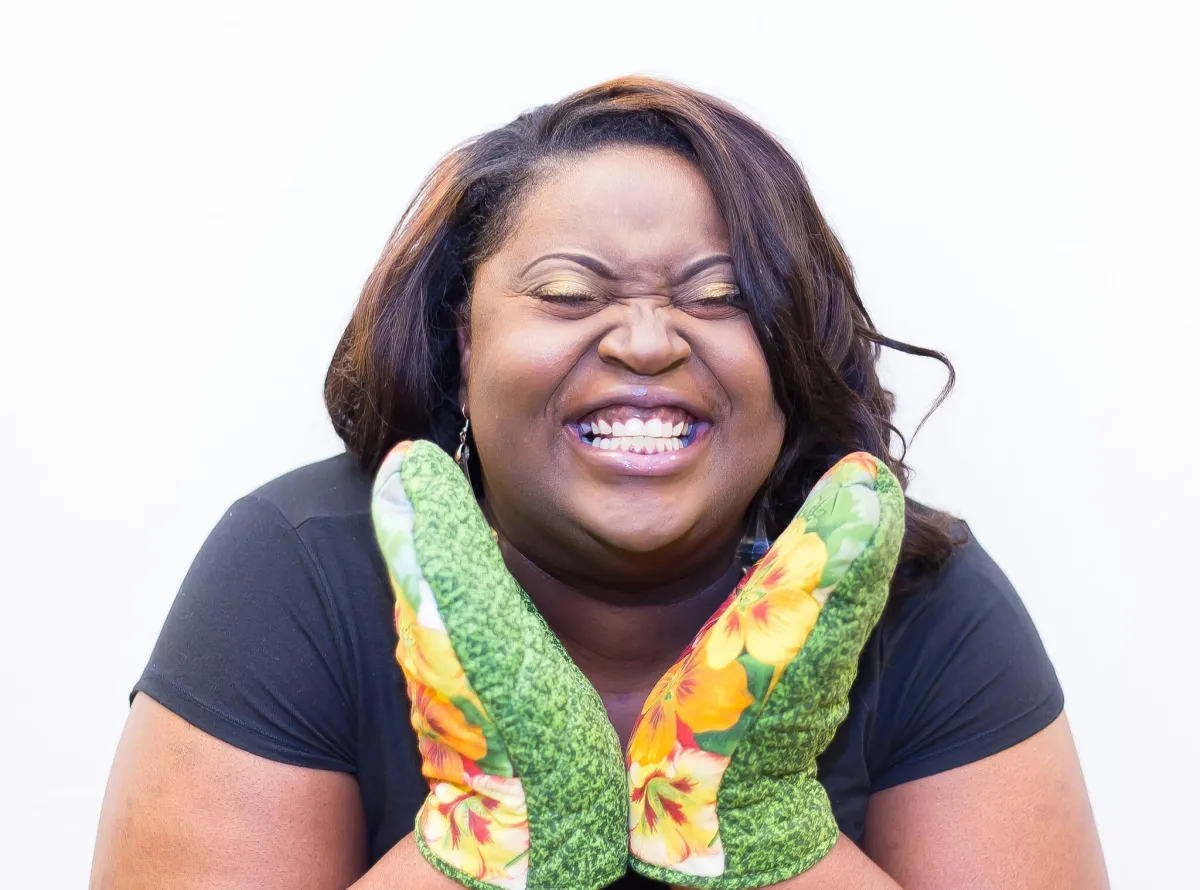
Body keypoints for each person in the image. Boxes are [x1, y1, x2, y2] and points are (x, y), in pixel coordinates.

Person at [90, 77, 1108, 889]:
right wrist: (487, 836)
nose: (649, 339)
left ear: (789, 351)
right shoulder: (299, 571)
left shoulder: (921, 597)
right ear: (464, 333)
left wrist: (754, 824)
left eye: (721, 296)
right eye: (570, 292)